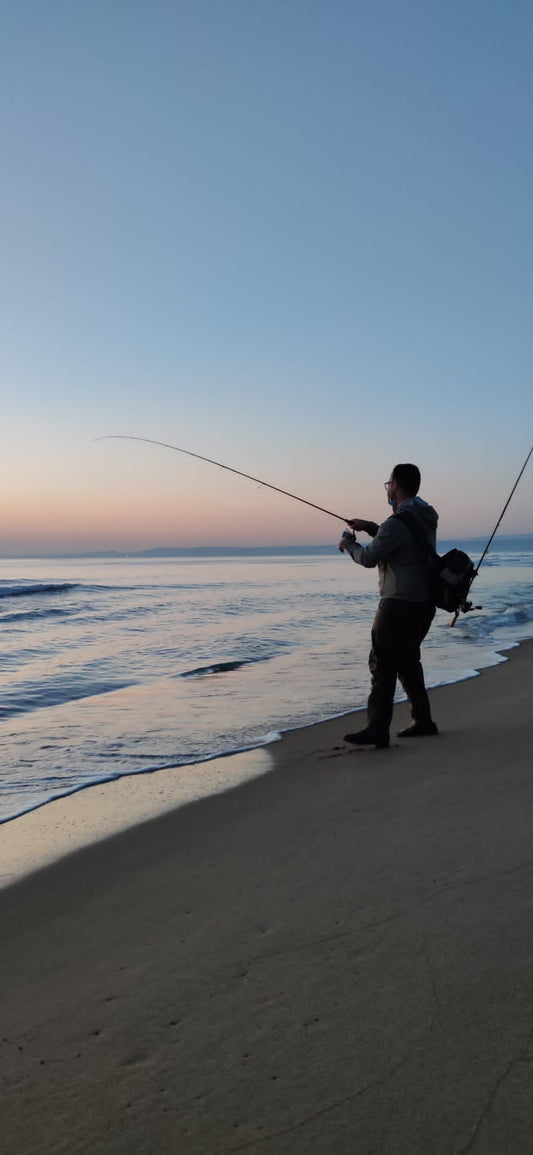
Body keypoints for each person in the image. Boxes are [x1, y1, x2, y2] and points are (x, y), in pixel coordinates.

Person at [338, 463, 439, 749]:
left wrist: (349, 545)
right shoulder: (425, 515)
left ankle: (377, 729)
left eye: (389, 483)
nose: (387, 488)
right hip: (424, 603)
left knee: (381, 664)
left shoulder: (397, 523)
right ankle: (423, 721)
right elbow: (400, 538)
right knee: (408, 662)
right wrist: (371, 527)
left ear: (397, 485)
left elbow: (369, 558)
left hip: (397, 604)